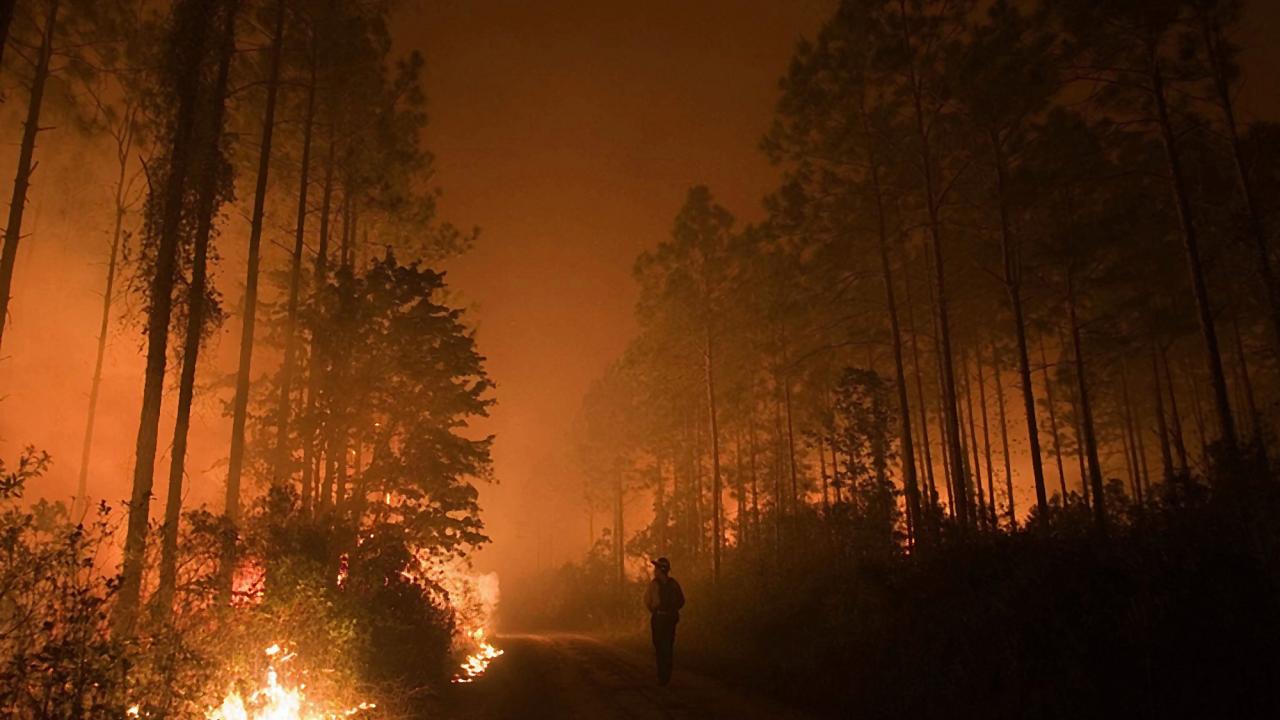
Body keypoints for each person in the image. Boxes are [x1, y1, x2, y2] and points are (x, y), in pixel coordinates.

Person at [643, 556, 685, 685]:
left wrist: (663, 611)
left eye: (656, 568)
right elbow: (647, 601)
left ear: (661, 570)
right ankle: (664, 674)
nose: (654, 570)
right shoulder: (664, 584)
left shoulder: (667, 584)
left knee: (664, 646)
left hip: (664, 619)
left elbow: (647, 601)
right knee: (663, 645)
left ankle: (664, 675)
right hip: (664, 618)